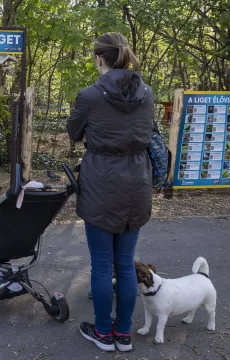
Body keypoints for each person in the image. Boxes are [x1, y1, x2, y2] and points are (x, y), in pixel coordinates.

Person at [66, 32, 154, 353]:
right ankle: (124, 334)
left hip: (102, 185)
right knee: (125, 263)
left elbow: (74, 132)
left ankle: (103, 333)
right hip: (137, 185)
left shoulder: (89, 96)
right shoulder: (147, 93)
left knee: (103, 265)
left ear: (99, 58)